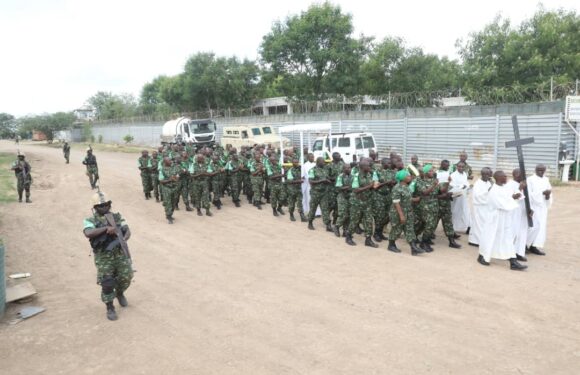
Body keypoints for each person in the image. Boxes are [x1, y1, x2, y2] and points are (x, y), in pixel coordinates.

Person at [83, 191, 133, 321]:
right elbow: (88, 233)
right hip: (104, 256)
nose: (104, 207)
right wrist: (106, 229)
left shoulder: (117, 216)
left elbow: (127, 230)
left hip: (119, 252)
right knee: (107, 282)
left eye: (106, 204)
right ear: (95, 208)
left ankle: (120, 293)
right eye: (100, 205)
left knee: (126, 276)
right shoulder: (90, 220)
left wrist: (122, 237)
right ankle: (110, 307)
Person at [477, 171, 527, 270]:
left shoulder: (504, 187)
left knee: (507, 238)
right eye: (505, 176)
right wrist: (515, 196)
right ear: (499, 178)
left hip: (505, 219)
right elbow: (502, 204)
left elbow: (509, 198)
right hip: (495, 219)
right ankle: (482, 256)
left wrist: (517, 193)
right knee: (490, 238)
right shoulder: (494, 190)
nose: (507, 178)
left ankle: (513, 262)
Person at [387, 170, 424, 255]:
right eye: (407, 176)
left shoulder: (406, 186)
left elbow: (407, 198)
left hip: (408, 211)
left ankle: (414, 248)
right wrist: (401, 215)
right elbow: (396, 202)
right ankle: (391, 245)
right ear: (402, 178)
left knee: (410, 229)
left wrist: (415, 199)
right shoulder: (397, 188)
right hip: (398, 212)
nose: (410, 177)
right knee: (397, 229)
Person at [346, 160, 377, 247]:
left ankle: (368, 239)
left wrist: (374, 187)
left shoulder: (369, 175)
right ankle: (348, 236)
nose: (369, 167)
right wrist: (369, 186)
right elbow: (356, 190)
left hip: (367, 202)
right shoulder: (355, 176)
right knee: (354, 220)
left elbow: (371, 186)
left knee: (369, 221)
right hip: (357, 202)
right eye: (368, 166)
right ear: (362, 167)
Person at [526, 164, 552, 256]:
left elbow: (549, 191)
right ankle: (525, 245)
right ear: (535, 170)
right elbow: (529, 194)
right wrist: (541, 193)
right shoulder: (530, 179)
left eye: (542, 170)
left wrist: (548, 195)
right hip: (533, 206)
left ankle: (534, 246)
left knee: (541, 227)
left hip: (543, 207)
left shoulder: (546, 179)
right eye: (539, 170)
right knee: (532, 227)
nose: (540, 172)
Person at [507, 168, 530, 262]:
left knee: (522, 233)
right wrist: (520, 188)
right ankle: (509, 253)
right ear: (515, 175)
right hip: (513, 212)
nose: (524, 176)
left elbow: (529, 198)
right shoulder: (509, 184)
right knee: (512, 232)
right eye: (521, 174)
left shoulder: (525, 184)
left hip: (522, 211)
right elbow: (510, 198)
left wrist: (529, 209)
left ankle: (519, 253)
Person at [415, 164, 439, 252]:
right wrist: (434, 185)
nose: (432, 172)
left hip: (434, 204)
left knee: (432, 225)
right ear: (425, 173)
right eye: (430, 171)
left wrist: (448, 184)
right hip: (426, 205)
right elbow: (424, 192)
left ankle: (426, 240)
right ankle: (423, 243)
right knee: (428, 224)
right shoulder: (420, 181)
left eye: (433, 171)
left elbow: (438, 191)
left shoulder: (434, 180)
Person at [468, 168, 493, 247]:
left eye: (490, 174)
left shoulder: (488, 182)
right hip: (479, 206)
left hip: (486, 207)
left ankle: (475, 240)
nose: (490, 176)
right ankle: (477, 241)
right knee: (479, 224)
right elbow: (478, 196)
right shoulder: (478, 183)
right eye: (488, 175)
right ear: (483, 174)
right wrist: (488, 191)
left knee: (483, 224)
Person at [307, 157, 332, 231]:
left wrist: (328, 180)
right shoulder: (312, 170)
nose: (324, 163)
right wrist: (322, 181)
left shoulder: (325, 169)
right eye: (322, 162)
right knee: (313, 208)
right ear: (318, 162)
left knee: (325, 209)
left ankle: (328, 225)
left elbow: (328, 177)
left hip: (324, 193)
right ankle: (310, 222)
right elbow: (311, 182)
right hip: (315, 193)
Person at [450, 162, 471, 233]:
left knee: (465, 211)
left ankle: (467, 226)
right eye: (459, 167)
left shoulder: (465, 174)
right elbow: (451, 185)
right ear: (457, 167)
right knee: (455, 211)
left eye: (462, 167)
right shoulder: (453, 175)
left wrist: (467, 186)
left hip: (464, 196)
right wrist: (461, 186)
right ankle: (453, 228)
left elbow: (466, 182)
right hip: (457, 197)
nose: (461, 168)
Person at [334, 164, 353, 237]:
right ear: (344, 169)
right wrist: (348, 187)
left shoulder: (353, 176)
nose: (349, 169)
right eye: (347, 168)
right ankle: (337, 226)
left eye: (350, 168)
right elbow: (338, 188)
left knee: (348, 215)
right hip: (342, 197)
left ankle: (345, 230)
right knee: (343, 214)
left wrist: (349, 188)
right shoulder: (340, 176)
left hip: (350, 197)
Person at [159, 156, 180, 223]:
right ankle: (168, 217)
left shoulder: (173, 168)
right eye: (169, 161)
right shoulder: (162, 169)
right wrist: (170, 180)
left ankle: (170, 214)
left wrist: (176, 178)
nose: (171, 161)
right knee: (168, 203)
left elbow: (177, 176)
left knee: (173, 202)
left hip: (174, 187)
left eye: (170, 160)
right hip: (166, 188)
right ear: (165, 162)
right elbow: (161, 181)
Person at [286, 157, 306, 222]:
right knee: (292, 203)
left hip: (298, 189)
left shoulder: (300, 169)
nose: (297, 163)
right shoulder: (290, 171)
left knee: (300, 203)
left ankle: (302, 216)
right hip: (292, 189)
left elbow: (304, 175)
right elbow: (290, 181)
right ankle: (291, 214)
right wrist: (299, 181)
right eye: (295, 162)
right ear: (292, 163)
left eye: (297, 162)